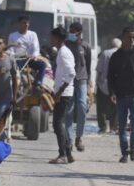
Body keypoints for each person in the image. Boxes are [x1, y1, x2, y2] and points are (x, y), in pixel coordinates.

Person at [108, 28, 134, 163]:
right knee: (122, 125)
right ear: (123, 38)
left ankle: (133, 149)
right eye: (128, 37)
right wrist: (112, 92)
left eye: (133, 37)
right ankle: (124, 152)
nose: (131, 40)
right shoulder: (116, 56)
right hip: (121, 95)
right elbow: (110, 77)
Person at [49, 26, 76, 164]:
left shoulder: (64, 52)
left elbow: (71, 73)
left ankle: (63, 154)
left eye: (52, 37)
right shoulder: (61, 52)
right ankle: (68, 153)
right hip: (62, 91)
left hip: (64, 93)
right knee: (60, 123)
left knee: (57, 123)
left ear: (58, 38)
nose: (51, 39)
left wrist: (59, 92)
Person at [65, 22, 92, 152]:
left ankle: (79, 136)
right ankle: (69, 140)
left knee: (82, 106)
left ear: (79, 32)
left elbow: (88, 65)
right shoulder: (66, 45)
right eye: (70, 31)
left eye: (73, 31)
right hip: (69, 81)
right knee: (69, 110)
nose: (71, 33)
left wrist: (89, 84)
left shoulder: (86, 46)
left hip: (82, 79)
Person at [8, 16, 47, 89]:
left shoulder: (33, 34)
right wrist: (19, 56)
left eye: (28, 23)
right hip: (18, 60)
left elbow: (36, 48)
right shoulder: (12, 35)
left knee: (43, 65)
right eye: (24, 23)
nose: (26, 25)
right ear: (19, 24)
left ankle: (37, 83)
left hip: (30, 59)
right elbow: (10, 51)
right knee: (15, 73)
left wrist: (34, 56)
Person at [96, 38, 120, 133]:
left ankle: (103, 126)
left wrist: (97, 81)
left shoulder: (105, 53)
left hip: (103, 83)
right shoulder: (121, 54)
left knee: (101, 107)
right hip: (116, 85)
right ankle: (113, 126)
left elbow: (99, 69)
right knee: (115, 106)